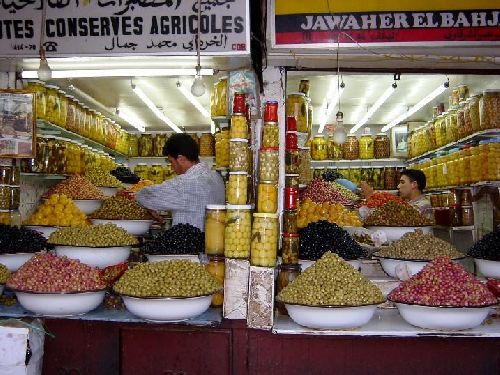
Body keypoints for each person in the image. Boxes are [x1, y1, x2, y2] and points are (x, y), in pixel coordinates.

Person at [135, 133, 225, 231]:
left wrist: (149, 206)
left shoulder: (184, 184)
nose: (172, 167)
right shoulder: (217, 178)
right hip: (214, 243)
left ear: (181, 159)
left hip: (190, 244)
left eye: (171, 162)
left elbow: (144, 195)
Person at [360, 169, 433, 220]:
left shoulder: (423, 205)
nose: (398, 186)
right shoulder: (408, 203)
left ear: (414, 184)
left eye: (402, 182)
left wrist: (371, 198)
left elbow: (400, 219)